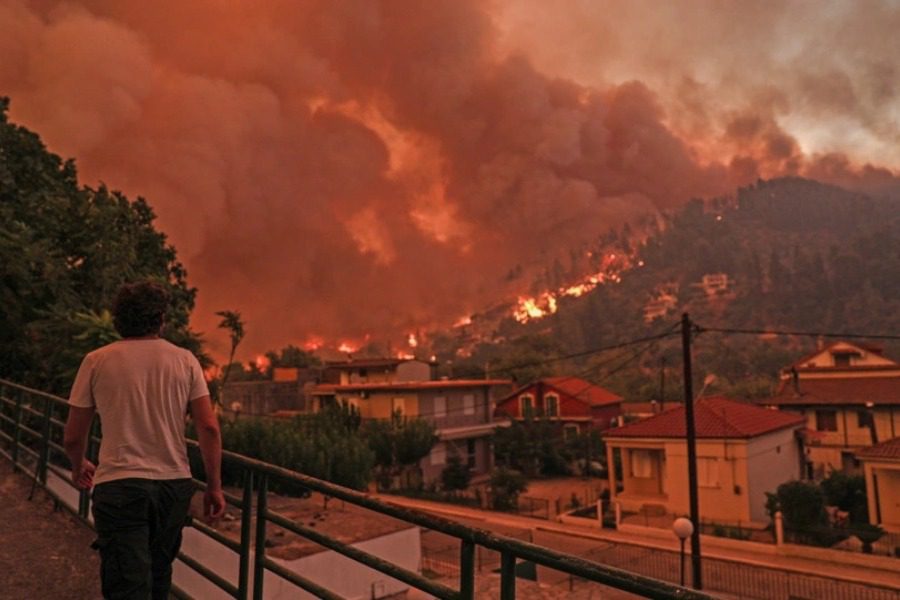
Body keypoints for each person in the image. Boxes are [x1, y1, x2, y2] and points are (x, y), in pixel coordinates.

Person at [64, 280, 226, 599]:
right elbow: (209, 428)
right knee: (159, 573)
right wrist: (214, 486)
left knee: (126, 581)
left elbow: (72, 435)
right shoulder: (185, 360)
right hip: (173, 486)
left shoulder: (97, 360)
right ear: (161, 319)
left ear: (118, 319)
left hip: (120, 485)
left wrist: (78, 463)